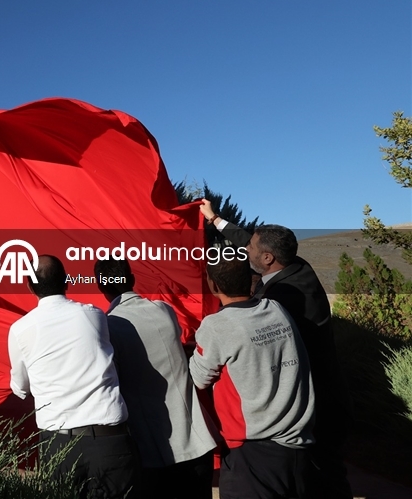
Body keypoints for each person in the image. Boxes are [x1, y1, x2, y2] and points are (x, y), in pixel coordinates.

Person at [199, 200, 352, 499]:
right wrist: (215, 218)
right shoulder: (296, 266)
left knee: (326, 482)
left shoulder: (281, 301)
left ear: (268, 258)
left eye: (252, 249)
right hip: (313, 402)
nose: (245, 251)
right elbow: (250, 243)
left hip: (315, 405)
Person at [8, 254, 139, 497]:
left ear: (29, 286)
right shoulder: (94, 315)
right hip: (110, 441)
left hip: (60, 447)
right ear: (67, 281)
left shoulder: (20, 329)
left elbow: (20, 387)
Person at [190, 258, 315, 499]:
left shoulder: (217, 325)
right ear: (250, 281)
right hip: (297, 444)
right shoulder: (275, 309)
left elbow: (198, 378)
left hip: (254, 451)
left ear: (212, 285)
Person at [95, 260, 216, 499]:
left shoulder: (109, 328)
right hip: (196, 443)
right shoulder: (163, 310)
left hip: (154, 454)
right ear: (131, 279)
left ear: (101, 287)